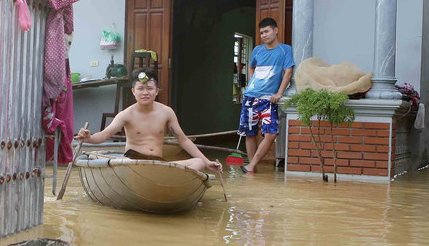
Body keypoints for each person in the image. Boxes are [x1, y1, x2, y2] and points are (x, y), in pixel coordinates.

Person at [74, 69, 223, 174]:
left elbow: (183, 140)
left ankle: (167, 180)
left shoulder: (166, 112)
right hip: (134, 162)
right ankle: (161, 179)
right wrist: (89, 138)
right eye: (141, 88)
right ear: (134, 92)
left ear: (156, 91)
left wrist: (207, 161)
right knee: (127, 165)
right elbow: (105, 135)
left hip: (158, 163)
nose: (145, 92)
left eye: (150, 88)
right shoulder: (126, 114)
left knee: (198, 163)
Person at [238, 17, 294, 173]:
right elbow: (251, 67)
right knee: (250, 133)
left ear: (275, 31)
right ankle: (252, 167)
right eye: (261, 32)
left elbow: (288, 72)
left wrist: (279, 93)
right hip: (250, 97)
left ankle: (251, 164)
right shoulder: (257, 50)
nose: (263, 35)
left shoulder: (285, 50)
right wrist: (250, 84)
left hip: (269, 99)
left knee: (271, 133)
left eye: (266, 31)